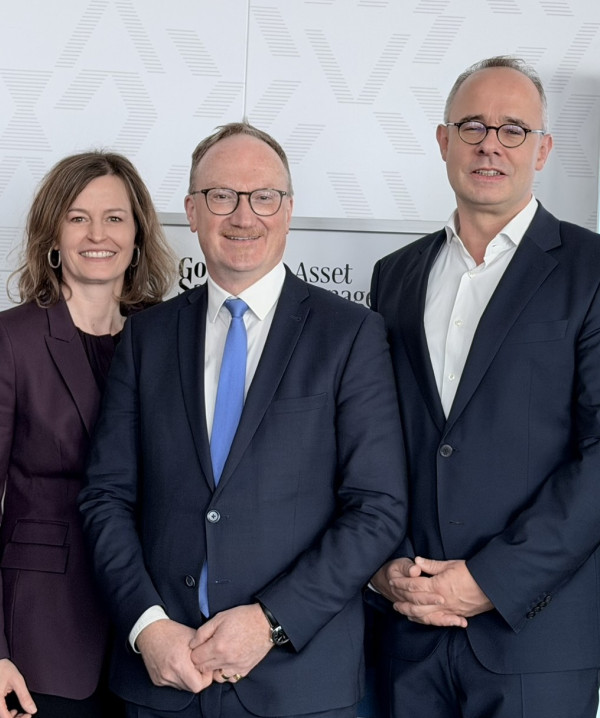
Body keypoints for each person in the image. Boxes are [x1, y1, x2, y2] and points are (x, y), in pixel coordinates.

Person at [78, 122, 407, 718]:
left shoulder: (350, 334)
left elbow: (377, 506)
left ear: (287, 210)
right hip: (163, 680)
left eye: (264, 198)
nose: (243, 216)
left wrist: (270, 622)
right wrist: (148, 626)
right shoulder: (147, 337)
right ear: (192, 211)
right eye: (221, 196)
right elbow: (106, 497)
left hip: (298, 683)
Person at [367, 55, 600, 717]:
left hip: (537, 633)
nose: (490, 144)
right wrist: (383, 572)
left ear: (544, 149)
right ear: (443, 142)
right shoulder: (395, 277)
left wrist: (489, 580)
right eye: (472, 126)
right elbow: (377, 441)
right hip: (408, 626)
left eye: (513, 129)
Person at [0, 152, 175, 718]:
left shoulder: (169, 337)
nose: (97, 234)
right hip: (41, 640)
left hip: (157, 631)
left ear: (139, 234)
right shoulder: (9, 340)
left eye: (115, 218)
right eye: (77, 217)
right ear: (53, 233)